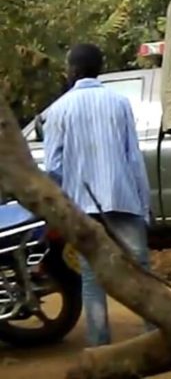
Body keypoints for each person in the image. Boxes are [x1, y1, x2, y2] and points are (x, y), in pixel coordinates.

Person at [43, 43, 152, 347]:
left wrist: (61, 209)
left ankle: (99, 345)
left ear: (73, 71)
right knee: (141, 271)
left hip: (81, 206)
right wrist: (145, 206)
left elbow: (53, 168)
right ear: (99, 69)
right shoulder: (119, 102)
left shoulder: (58, 110)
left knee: (92, 278)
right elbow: (134, 159)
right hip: (123, 199)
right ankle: (154, 336)